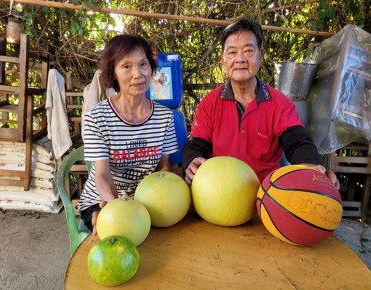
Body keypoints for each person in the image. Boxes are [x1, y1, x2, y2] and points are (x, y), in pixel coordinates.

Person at [182, 17, 339, 189]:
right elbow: (197, 144)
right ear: (223, 59)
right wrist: (192, 159)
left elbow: (297, 142)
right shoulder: (209, 103)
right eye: (232, 52)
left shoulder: (280, 104)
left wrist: (309, 163)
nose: (240, 59)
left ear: (260, 55)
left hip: (267, 193)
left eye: (248, 50)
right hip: (220, 191)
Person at [78, 34, 179, 234]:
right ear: (113, 73)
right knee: (121, 236)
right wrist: (117, 210)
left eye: (143, 64)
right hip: (103, 200)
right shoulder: (96, 118)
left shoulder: (165, 117)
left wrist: (167, 201)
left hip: (147, 202)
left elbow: (164, 166)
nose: (138, 74)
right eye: (126, 66)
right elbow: (102, 174)